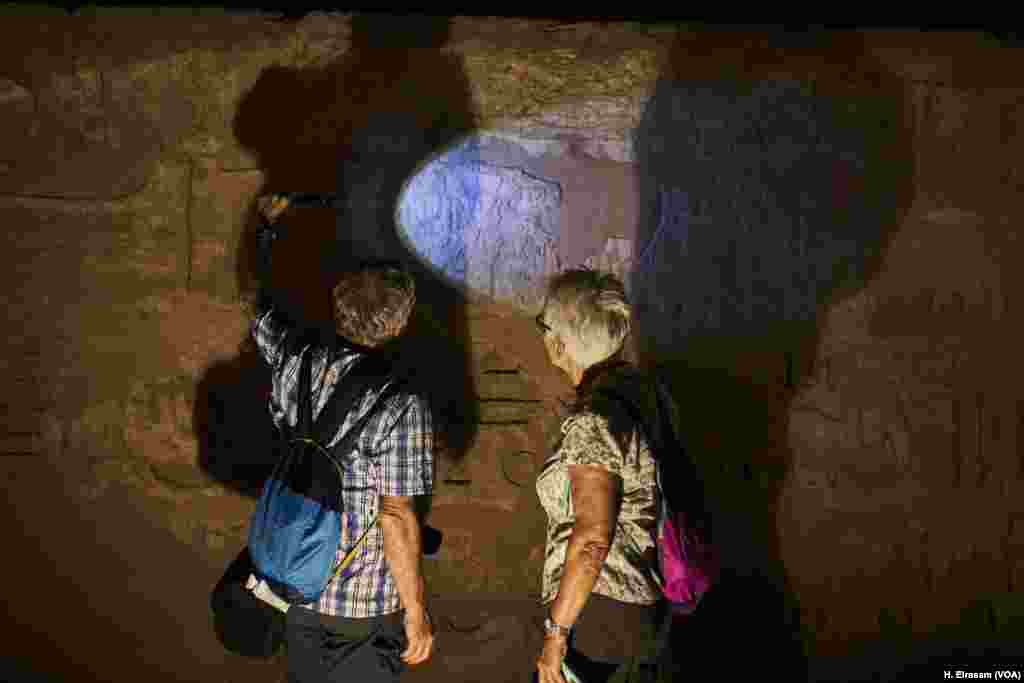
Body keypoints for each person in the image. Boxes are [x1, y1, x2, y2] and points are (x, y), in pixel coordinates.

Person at [246, 194, 435, 682]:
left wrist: (266, 233)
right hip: (363, 606)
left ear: (338, 306)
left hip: (299, 590)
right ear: (399, 323)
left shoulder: (294, 360)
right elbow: (395, 516)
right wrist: (415, 612)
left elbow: (260, 311)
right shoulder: (400, 405)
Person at [533, 268, 670, 683]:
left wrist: (556, 635)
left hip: (597, 620)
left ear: (559, 341)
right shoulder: (642, 391)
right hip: (636, 609)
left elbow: (591, 540)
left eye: (543, 324)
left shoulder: (594, 418)